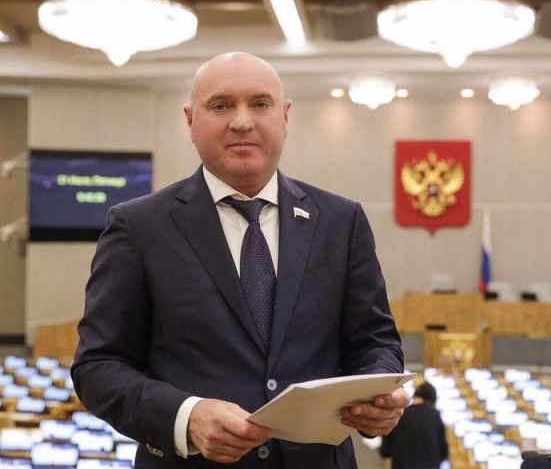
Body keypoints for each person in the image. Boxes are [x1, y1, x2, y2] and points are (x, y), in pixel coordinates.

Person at [71, 52, 409, 469]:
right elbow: (98, 367)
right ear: (190, 120)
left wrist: (378, 397)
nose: (242, 121)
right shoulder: (138, 227)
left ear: (285, 117)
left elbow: (375, 341)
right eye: (221, 105)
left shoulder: (341, 221)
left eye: (260, 104)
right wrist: (187, 416)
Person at [379, 381, 449, 469]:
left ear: (415, 395)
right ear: (433, 401)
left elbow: (385, 451)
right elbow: (444, 452)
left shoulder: (399, 414)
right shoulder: (435, 416)